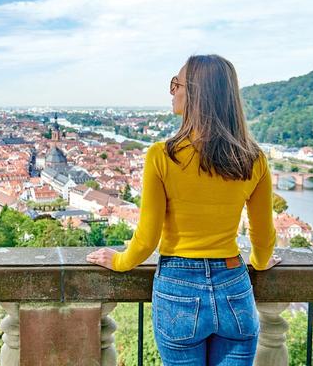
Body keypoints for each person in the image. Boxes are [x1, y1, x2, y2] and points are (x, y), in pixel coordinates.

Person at [87, 55, 280, 365]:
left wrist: (121, 261)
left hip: (178, 286)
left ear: (195, 94)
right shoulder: (253, 159)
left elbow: (147, 238)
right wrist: (259, 261)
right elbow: (263, 234)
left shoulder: (162, 156)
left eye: (176, 84)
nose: (172, 91)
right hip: (234, 284)